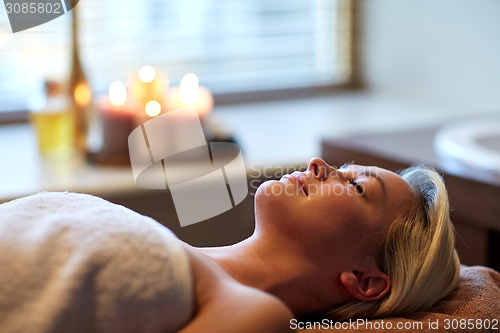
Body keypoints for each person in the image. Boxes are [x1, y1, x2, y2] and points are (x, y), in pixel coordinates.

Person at [0, 157, 460, 332]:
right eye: (345, 166)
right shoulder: (174, 250)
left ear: (364, 280)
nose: (322, 165)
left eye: (358, 186)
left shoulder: (253, 312)